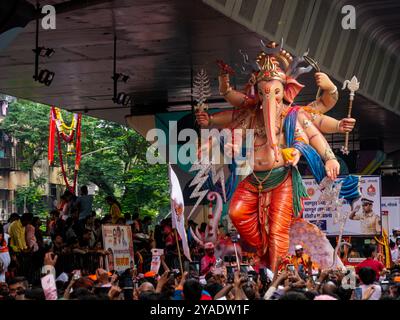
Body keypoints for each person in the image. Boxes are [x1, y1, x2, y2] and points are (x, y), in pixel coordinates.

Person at [195, 40, 359, 270]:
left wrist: (330, 156)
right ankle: (262, 251)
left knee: (278, 231)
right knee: (237, 212)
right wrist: (212, 130)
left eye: (275, 92)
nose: (269, 97)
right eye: (264, 92)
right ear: (258, 93)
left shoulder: (293, 115)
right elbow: (231, 123)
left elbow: (314, 131)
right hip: (253, 179)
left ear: (285, 91)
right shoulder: (251, 115)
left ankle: (275, 275)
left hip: (281, 179)